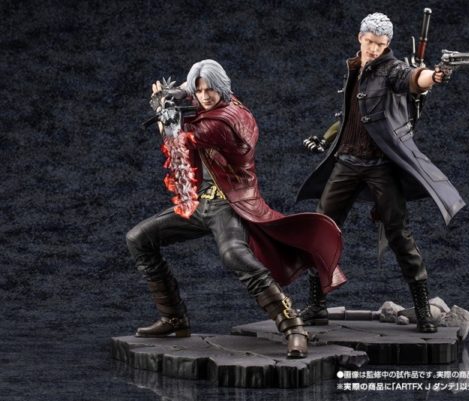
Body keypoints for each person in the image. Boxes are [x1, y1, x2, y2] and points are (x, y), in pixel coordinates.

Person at [126, 59, 346, 358]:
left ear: (222, 88)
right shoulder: (207, 104)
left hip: (229, 205)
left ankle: (293, 327)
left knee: (234, 255)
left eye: (210, 90)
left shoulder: (227, 120)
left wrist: (163, 110)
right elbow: (185, 95)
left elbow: (181, 139)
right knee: (138, 238)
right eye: (199, 90)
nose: (204, 96)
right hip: (198, 202)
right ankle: (173, 318)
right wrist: (171, 95)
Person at [297, 13, 465, 333]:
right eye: (370, 41)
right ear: (360, 38)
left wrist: (433, 76)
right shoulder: (354, 68)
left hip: (380, 166)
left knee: (399, 234)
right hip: (347, 162)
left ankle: (422, 309)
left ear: (388, 44)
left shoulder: (391, 69)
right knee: (320, 229)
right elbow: (349, 114)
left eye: (380, 43)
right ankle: (317, 305)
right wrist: (326, 138)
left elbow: (412, 78)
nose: (374, 48)